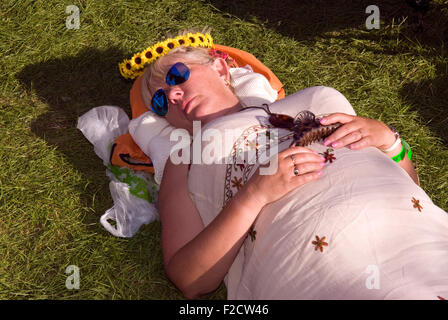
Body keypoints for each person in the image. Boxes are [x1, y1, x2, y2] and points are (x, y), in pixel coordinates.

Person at [121, 31, 448, 299]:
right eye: (162, 101)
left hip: (418, 237)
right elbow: (189, 278)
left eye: (178, 76)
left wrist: (391, 142)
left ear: (222, 69)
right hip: (321, 267)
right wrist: (254, 195)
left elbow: (410, 190)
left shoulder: (315, 98)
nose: (174, 95)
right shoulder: (184, 156)